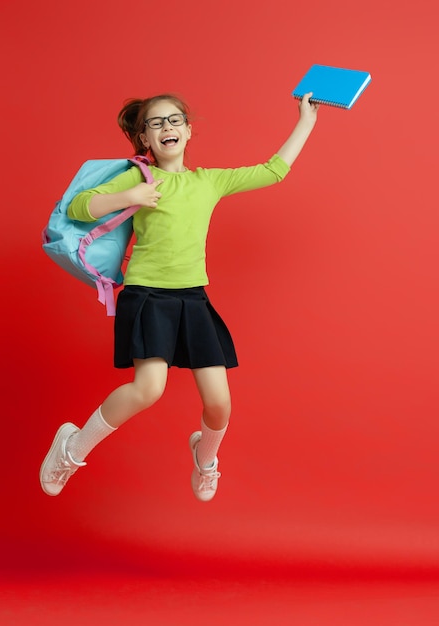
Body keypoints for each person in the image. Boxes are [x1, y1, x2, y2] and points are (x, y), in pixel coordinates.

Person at [40, 91, 319, 502]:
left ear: (188, 131)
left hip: (192, 299)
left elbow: (274, 171)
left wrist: (306, 121)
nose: (167, 127)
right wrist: (128, 198)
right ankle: (71, 448)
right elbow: (79, 206)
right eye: (156, 123)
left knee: (219, 404)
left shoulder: (209, 181)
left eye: (174, 120)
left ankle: (205, 459)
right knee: (148, 389)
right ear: (144, 139)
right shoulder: (139, 177)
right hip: (148, 296)